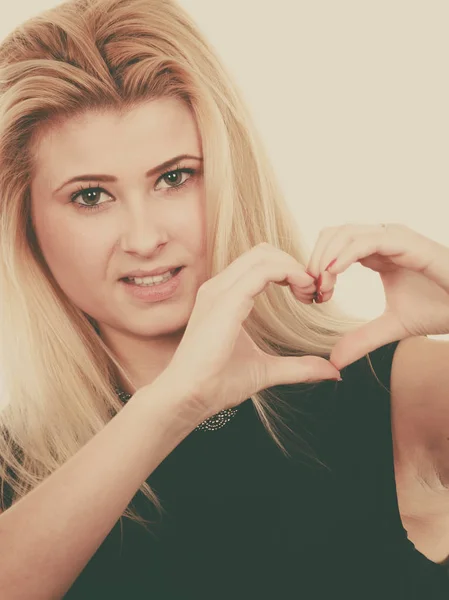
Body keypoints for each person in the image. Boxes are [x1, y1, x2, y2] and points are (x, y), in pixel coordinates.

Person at [0, 0, 448, 598]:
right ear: (27, 223)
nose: (145, 237)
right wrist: (174, 402)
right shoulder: (16, 468)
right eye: (89, 197)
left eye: (175, 177)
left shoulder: (384, 386)